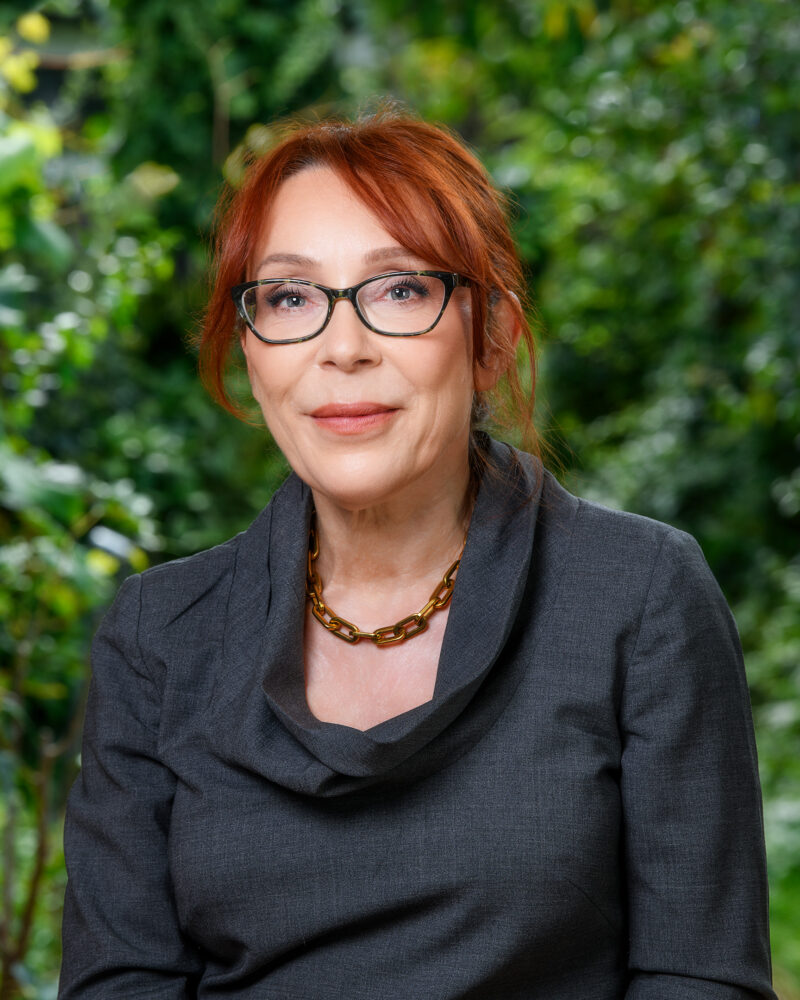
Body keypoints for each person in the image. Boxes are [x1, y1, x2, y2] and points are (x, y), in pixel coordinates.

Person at [59, 110, 776, 999]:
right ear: (250, 350)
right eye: (290, 297)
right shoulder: (158, 636)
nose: (342, 348)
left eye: (399, 290)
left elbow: (699, 978)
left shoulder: (639, 598)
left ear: (493, 337)